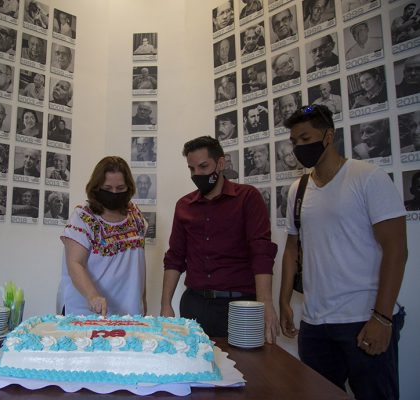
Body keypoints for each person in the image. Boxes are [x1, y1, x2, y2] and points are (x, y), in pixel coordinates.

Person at [280, 104, 407, 400]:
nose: (300, 146)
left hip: (363, 320)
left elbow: (397, 249)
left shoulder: (368, 177)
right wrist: (284, 300)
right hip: (315, 324)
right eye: (295, 141)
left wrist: (382, 319)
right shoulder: (297, 190)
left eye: (305, 138)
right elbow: (291, 249)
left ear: (328, 137)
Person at [160, 136, 278, 339]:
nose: (197, 174)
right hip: (194, 304)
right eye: (191, 169)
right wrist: (165, 305)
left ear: (221, 163)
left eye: (203, 166)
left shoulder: (247, 198)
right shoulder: (184, 206)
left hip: (239, 305)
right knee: (196, 367)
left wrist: (266, 304)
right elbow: (175, 257)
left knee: (245, 367)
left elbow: (261, 252)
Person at [57, 156, 147, 316]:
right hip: (87, 312)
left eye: (120, 188)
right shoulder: (83, 217)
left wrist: (142, 300)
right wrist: (93, 296)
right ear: (97, 187)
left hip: (129, 312)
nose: (114, 193)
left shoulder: (135, 214)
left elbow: (138, 264)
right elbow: (75, 263)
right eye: (108, 188)